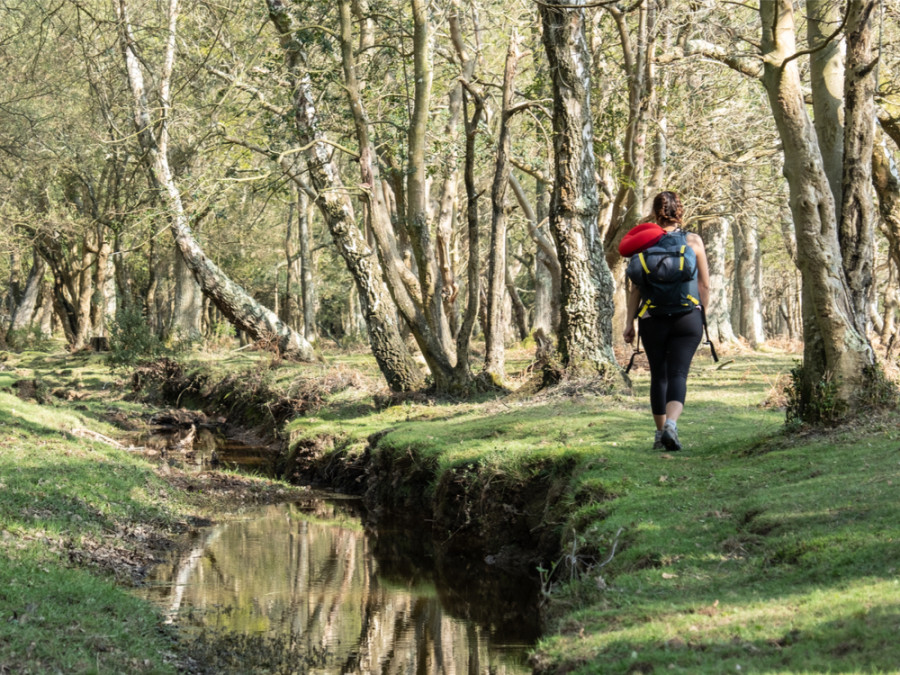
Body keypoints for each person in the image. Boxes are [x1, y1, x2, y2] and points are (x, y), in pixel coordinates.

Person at [623, 191, 710, 451]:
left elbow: (635, 288)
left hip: (652, 317)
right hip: (688, 317)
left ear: (654, 212)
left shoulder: (644, 244)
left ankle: (660, 434)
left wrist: (629, 322)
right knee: (678, 373)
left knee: (658, 375)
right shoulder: (693, 240)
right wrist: (702, 314)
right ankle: (672, 424)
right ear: (679, 211)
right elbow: (704, 284)